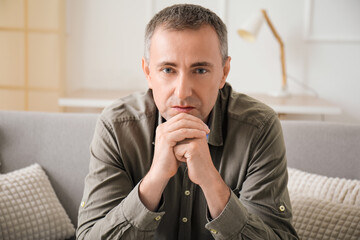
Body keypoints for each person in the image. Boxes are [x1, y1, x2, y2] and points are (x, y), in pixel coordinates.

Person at [76, 4, 299, 240]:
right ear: (148, 72)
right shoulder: (116, 127)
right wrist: (154, 180)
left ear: (224, 72)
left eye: (200, 70)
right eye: (168, 69)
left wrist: (212, 183)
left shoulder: (260, 128)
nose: (182, 92)